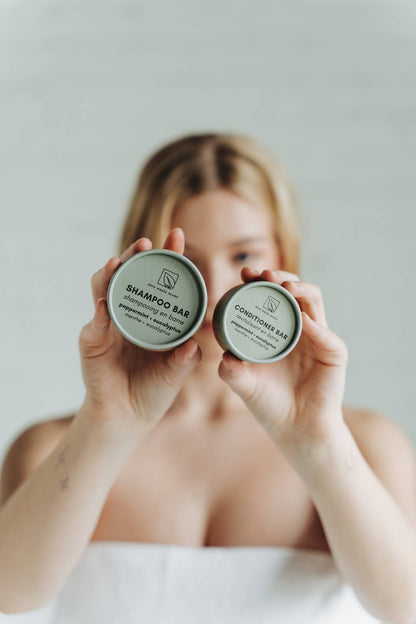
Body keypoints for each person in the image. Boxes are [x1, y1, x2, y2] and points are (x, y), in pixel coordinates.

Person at [0, 133, 416, 624]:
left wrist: (316, 437)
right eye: (188, 262)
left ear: (286, 255)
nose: (216, 289)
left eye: (243, 256)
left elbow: (403, 608)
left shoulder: (366, 445)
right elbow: (11, 596)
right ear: (139, 265)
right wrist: (109, 422)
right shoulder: (51, 447)